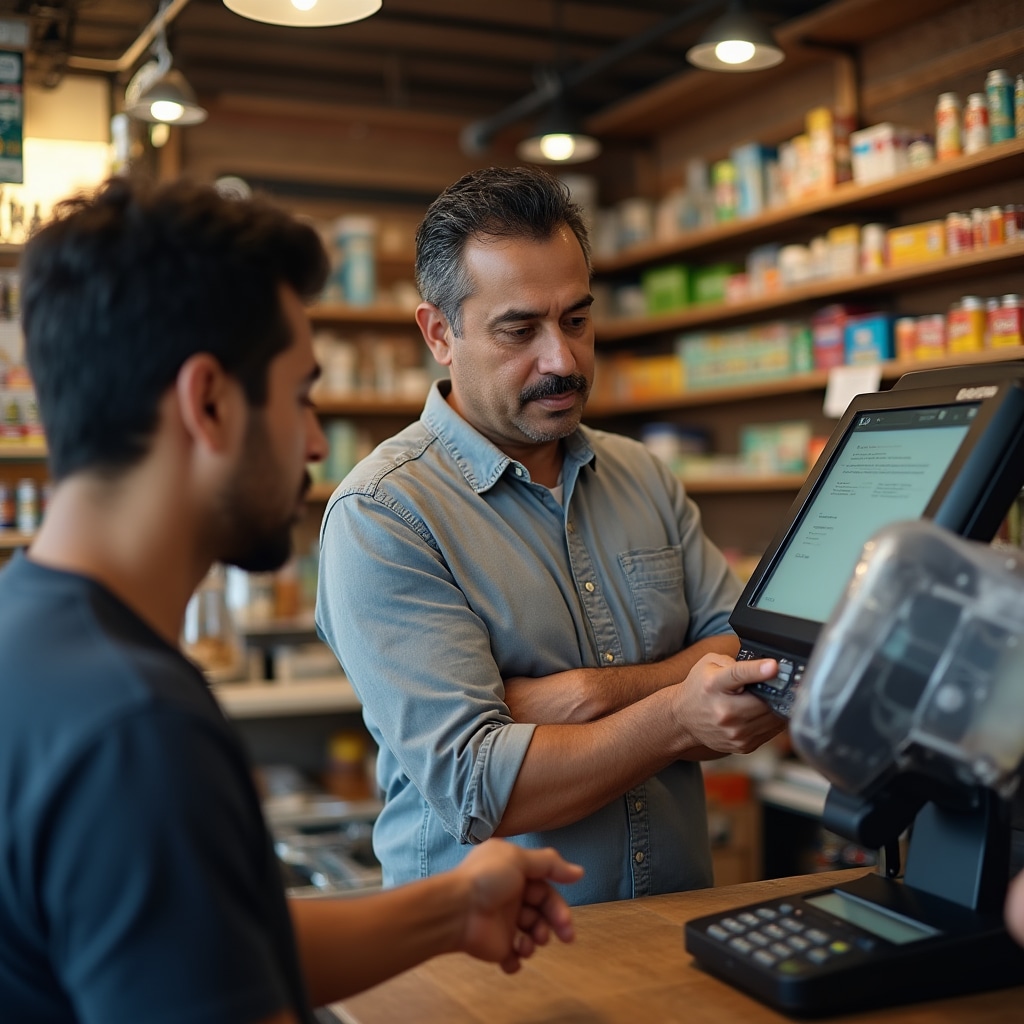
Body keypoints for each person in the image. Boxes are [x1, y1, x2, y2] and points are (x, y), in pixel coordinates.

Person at [0, 176, 585, 1024]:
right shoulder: (135, 729)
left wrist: (451, 909)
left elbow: (198, 948)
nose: (315, 441)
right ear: (208, 403)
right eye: (301, 395)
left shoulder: (31, 638)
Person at [316, 165, 785, 907]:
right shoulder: (383, 513)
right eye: (520, 329)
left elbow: (751, 661)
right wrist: (673, 709)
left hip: (668, 931)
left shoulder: (643, 477)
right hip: (488, 966)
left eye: (575, 320)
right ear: (440, 332)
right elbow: (480, 786)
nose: (562, 360)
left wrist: (588, 696)